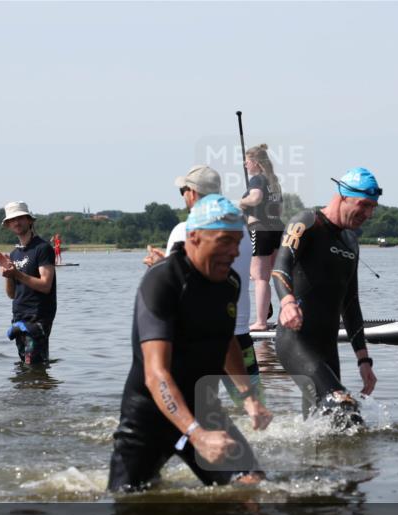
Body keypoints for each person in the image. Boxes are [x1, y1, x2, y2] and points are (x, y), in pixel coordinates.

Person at [109, 194, 271, 492]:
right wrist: (196, 435)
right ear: (194, 237)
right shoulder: (163, 281)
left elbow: (226, 343)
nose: (234, 252)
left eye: (238, 242)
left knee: (252, 488)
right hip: (148, 418)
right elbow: (156, 374)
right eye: (225, 241)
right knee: (130, 505)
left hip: (203, 409)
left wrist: (248, 396)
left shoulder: (229, 283)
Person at [271, 167, 379, 428]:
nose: (368, 214)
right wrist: (286, 302)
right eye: (363, 205)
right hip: (296, 343)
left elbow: (351, 304)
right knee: (344, 407)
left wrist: (363, 360)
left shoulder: (351, 242)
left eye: (373, 207)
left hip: (327, 350)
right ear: (342, 195)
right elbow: (280, 265)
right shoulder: (306, 222)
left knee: (328, 428)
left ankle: (312, 466)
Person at [144, 165, 260, 402]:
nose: (184, 196)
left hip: (198, 339)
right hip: (240, 336)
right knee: (255, 408)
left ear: (193, 194)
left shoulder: (183, 231)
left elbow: (179, 284)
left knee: (198, 409)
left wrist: (159, 265)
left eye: (183, 191)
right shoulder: (242, 231)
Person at [0, 201, 56, 365]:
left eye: (20, 218)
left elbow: (45, 285)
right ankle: (34, 390)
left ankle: (41, 389)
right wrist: (7, 274)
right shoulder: (14, 254)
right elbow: (12, 294)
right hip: (19, 318)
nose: (16, 222)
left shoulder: (42, 248)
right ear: (8, 225)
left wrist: (17, 273)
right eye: (12, 220)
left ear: (29, 220)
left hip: (39, 317)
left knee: (34, 364)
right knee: (26, 364)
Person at [238, 144, 284, 331]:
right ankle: (283, 314)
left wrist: (242, 202)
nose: (245, 165)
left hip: (260, 229)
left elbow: (255, 198)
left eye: (247, 161)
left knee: (259, 278)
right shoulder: (274, 181)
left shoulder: (257, 179)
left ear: (256, 163)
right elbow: (279, 207)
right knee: (276, 275)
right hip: (277, 229)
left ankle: (260, 322)